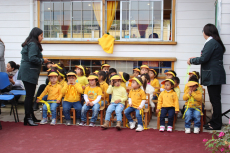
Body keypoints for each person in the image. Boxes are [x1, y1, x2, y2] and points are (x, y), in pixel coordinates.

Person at [187, 24, 226, 130]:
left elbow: (204, 59)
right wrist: (196, 58)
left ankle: (216, 124)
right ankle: (214, 121)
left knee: (215, 100)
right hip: (215, 75)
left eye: (203, 31)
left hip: (213, 75)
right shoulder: (215, 42)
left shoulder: (211, 42)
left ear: (206, 32)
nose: (202, 33)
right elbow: (207, 57)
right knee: (215, 100)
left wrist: (191, 61)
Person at [18, 27, 49, 126]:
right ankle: (28, 117)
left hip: (28, 72)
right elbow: (32, 58)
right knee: (29, 96)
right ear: (36, 35)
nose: (42, 38)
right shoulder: (33, 44)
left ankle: (30, 116)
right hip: (29, 72)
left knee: (30, 95)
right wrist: (42, 61)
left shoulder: (30, 43)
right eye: (41, 35)